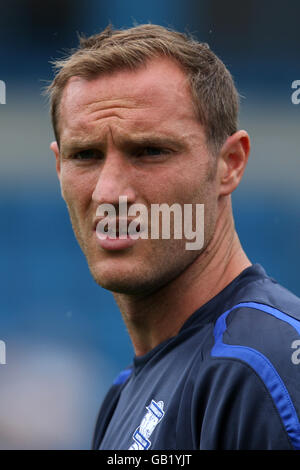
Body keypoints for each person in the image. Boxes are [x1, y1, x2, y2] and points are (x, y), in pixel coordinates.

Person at [47, 24, 300, 450]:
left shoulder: (266, 367)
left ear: (230, 164)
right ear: (59, 168)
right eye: (85, 155)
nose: (108, 193)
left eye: (149, 152)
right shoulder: (122, 394)